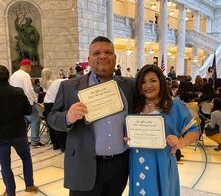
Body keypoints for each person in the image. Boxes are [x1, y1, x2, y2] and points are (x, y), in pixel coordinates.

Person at [47, 36, 135, 196]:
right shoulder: (69, 87)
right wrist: (68, 117)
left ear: (115, 58)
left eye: (108, 52)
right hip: (83, 165)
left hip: (119, 166)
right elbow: (52, 118)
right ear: (88, 59)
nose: (103, 56)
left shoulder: (129, 85)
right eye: (97, 53)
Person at [128, 64, 199, 196]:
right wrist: (128, 138)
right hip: (138, 163)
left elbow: (194, 130)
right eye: (143, 82)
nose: (148, 85)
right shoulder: (135, 107)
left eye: (153, 81)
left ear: (161, 82)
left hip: (163, 163)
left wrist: (181, 142)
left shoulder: (175, 106)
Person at [0, 65, 38, 196]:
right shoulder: (18, 91)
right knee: (26, 158)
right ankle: (30, 185)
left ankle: (10, 192)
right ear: (8, 76)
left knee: (5, 165)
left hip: (1, 136)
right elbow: (28, 110)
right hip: (19, 132)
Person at [9, 59, 44, 147]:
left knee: (24, 122)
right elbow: (29, 89)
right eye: (30, 67)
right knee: (35, 120)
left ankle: (23, 141)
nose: (31, 69)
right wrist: (35, 99)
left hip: (16, 103)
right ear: (27, 66)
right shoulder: (25, 75)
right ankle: (35, 141)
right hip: (27, 102)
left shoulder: (13, 75)